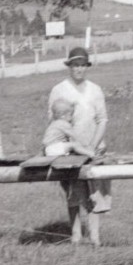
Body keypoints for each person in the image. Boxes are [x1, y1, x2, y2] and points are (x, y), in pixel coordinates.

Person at [48, 47, 110, 246]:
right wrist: (69, 147)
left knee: (95, 193)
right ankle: (75, 235)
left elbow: (102, 120)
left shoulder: (95, 90)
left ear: (87, 67)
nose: (79, 69)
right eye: (75, 65)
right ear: (69, 66)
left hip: (95, 147)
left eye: (82, 65)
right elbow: (54, 122)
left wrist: (92, 146)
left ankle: (95, 238)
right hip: (70, 152)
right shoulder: (59, 90)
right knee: (73, 193)